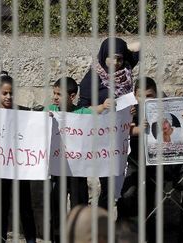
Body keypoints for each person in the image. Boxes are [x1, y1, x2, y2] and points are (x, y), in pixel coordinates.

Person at [117, 78, 183, 243]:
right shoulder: (128, 107)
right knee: (129, 196)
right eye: (141, 96)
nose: (145, 100)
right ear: (134, 95)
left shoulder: (169, 106)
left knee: (167, 203)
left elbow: (177, 134)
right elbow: (113, 130)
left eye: (149, 96)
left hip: (163, 162)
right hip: (134, 160)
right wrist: (132, 126)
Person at [78, 37, 140, 210]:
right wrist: (101, 107)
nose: (116, 62)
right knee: (107, 186)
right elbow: (82, 110)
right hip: (101, 141)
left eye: (120, 58)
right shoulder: (92, 78)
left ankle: (120, 228)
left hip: (123, 139)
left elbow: (139, 47)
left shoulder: (126, 71)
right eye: (112, 57)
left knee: (123, 187)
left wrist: (130, 112)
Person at [47, 77, 110, 242]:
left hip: (77, 172)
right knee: (56, 207)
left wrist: (105, 106)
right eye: (54, 93)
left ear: (72, 96)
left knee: (79, 206)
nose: (54, 97)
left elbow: (93, 111)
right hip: (57, 171)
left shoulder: (81, 113)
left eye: (59, 94)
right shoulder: (50, 110)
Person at [0, 71, 37, 243]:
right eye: (4, 93)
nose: (8, 96)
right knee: (2, 208)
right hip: (0, 170)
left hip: (20, 169)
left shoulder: (23, 112)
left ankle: (31, 239)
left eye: (11, 93)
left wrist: (45, 118)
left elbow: (36, 123)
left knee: (25, 206)